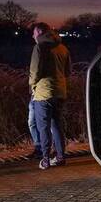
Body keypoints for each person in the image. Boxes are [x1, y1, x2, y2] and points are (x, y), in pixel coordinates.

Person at [29, 22, 71, 170]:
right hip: (60, 92)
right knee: (57, 125)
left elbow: (35, 72)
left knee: (43, 127)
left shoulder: (39, 47)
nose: (33, 36)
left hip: (43, 93)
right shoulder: (63, 48)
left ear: (39, 32)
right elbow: (67, 72)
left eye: (34, 33)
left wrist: (32, 85)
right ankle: (60, 157)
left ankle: (45, 159)